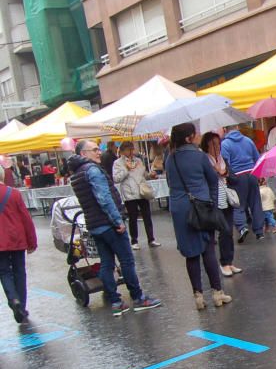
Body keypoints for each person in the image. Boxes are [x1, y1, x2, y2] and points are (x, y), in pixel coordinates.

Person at [68, 140, 162, 316]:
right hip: (107, 223)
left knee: (107, 263)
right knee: (126, 260)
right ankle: (138, 297)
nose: (99, 152)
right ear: (83, 154)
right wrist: (117, 221)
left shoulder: (76, 174)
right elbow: (104, 198)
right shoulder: (92, 171)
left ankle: (115, 301)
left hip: (94, 224)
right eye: (94, 150)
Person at [166, 124, 233, 310]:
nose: (198, 136)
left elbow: (170, 182)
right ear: (189, 138)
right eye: (195, 134)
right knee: (208, 249)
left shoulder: (170, 158)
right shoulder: (199, 156)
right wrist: (209, 199)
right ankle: (217, 294)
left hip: (179, 208)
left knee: (191, 254)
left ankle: (198, 296)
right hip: (201, 205)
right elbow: (213, 180)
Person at [200, 132, 242, 278]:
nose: (217, 147)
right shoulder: (205, 160)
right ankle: (223, 263)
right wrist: (215, 171)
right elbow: (206, 179)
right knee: (223, 231)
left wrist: (225, 173)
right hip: (215, 199)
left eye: (218, 143)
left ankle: (229, 261)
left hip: (227, 198)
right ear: (206, 145)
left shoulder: (222, 159)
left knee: (229, 231)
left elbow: (233, 177)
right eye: (213, 144)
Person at [112, 142, 160, 250]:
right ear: (123, 151)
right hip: (130, 193)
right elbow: (116, 178)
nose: (131, 152)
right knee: (133, 217)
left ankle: (151, 238)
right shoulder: (118, 163)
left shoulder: (138, 160)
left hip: (141, 191)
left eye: (132, 149)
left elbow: (144, 174)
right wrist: (126, 169)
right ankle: (134, 240)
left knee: (147, 216)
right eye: (129, 150)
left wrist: (150, 175)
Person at [0, 181, 36, 323]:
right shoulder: (14, 193)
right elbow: (26, 218)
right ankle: (22, 306)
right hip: (17, 238)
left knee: (4, 272)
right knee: (19, 271)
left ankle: (13, 299)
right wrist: (32, 241)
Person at [220, 124, 264, 242]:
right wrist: (259, 175)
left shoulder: (225, 144)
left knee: (237, 204)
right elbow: (257, 158)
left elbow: (225, 163)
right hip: (251, 173)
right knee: (255, 203)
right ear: (238, 128)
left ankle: (242, 227)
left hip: (237, 177)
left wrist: (228, 175)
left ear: (225, 129)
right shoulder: (248, 140)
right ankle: (259, 231)